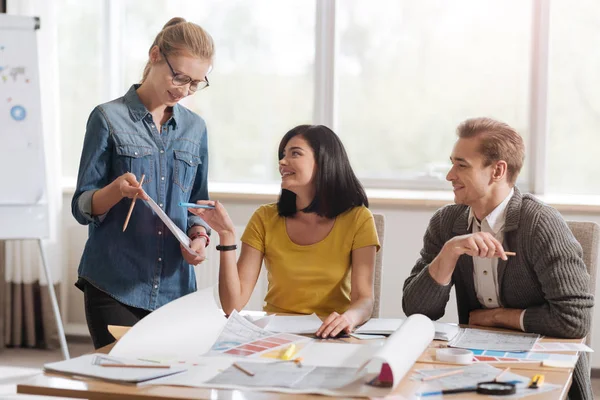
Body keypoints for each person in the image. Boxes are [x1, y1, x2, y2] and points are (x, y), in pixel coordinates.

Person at [402, 117, 594, 400]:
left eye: (462, 165)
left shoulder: (540, 224)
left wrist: (496, 317)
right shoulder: (446, 223)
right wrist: (449, 252)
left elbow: (575, 319)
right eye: (452, 163)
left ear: (497, 171)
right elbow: (417, 310)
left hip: (543, 371)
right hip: (474, 366)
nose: (450, 175)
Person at [72, 17, 214, 349]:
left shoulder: (196, 129)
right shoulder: (107, 118)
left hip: (175, 290)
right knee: (120, 388)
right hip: (114, 284)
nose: (183, 90)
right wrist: (115, 190)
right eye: (178, 76)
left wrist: (199, 237)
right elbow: (81, 206)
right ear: (154, 55)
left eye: (195, 83)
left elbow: (197, 204)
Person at [190, 125, 380, 338]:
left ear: (324, 161)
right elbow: (232, 306)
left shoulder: (358, 219)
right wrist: (226, 236)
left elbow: (364, 299)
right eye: (282, 155)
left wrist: (348, 318)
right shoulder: (264, 218)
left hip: (330, 335)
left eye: (295, 153)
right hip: (274, 336)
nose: (282, 162)